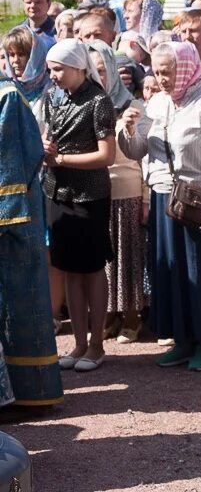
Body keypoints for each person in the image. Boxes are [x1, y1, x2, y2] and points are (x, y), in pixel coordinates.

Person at [118, 42, 201, 372]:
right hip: (162, 197)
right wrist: (128, 129)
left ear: (184, 67)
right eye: (157, 71)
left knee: (198, 270)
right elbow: (139, 149)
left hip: (194, 200)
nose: (161, 78)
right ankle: (182, 338)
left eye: (168, 71)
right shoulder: (157, 102)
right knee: (169, 271)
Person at [43, 39, 116, 373]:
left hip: (90, 197)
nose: (53, 76)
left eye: (58, 69)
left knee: (90, 269)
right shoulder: (55, 97)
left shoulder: (99, 101)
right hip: (57, 194)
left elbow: (106, 155)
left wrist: (61, 158)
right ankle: (79, 343)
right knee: (69, 269)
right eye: (50, 70)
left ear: (77, 66)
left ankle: (98, 344)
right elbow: (51, 135)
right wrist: (46, 146)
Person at [0, 68, 63, 408]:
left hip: (13, 221)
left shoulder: (7, 95)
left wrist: (5, 213)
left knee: (20, 304)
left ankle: (30, 392)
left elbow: (13, 162)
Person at [87, 42, 146, 345]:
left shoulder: (131, 105)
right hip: (98, 191)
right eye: (91, 71)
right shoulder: (89, 105)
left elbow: (146, 155)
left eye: (101, 70)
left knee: (129, 257)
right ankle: (109, 315)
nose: (98, 77)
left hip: (128, 189)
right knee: (106, 260)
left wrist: (146, 198)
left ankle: (133, 317)